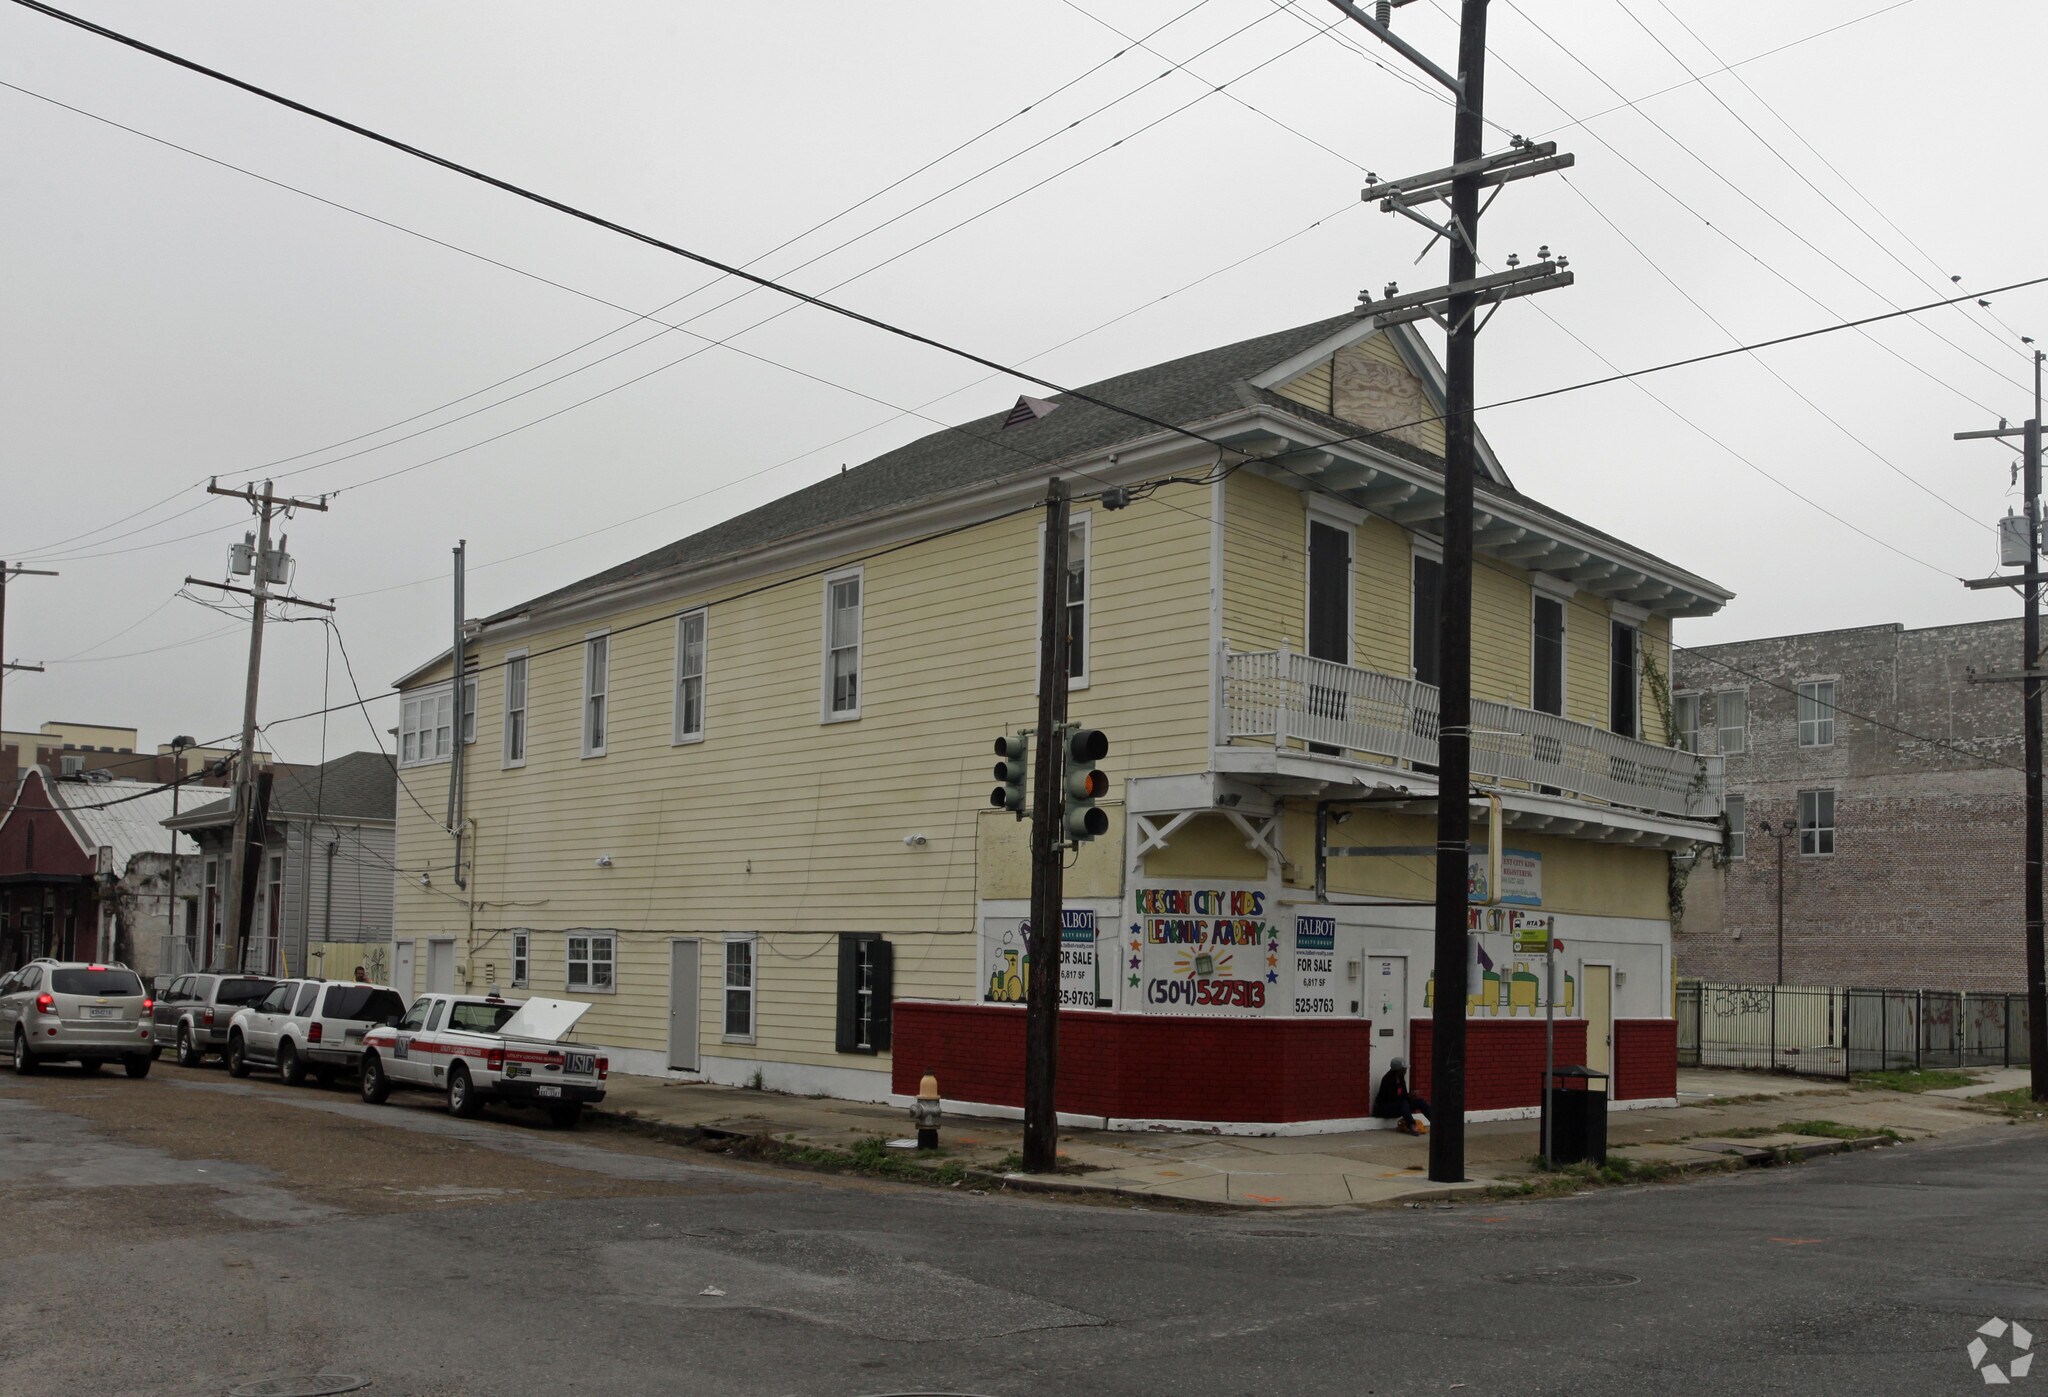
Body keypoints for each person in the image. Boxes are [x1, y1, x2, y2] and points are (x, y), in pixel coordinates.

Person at [1374, 1058, 1430, 1135]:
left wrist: (1411, 1096)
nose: (1406, 1070)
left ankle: (1436, 1122)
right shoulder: (1387, 1079)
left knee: (1420, 1102)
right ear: (1398, 1069)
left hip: (1400, 1106)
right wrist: (1407, 1097)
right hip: (1386, 1108)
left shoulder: (1401, 1078)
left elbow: (1403, 1095)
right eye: (1404, 1069)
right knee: (1403, 1103)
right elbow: (1392, 1098)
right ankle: (1412, 1125)